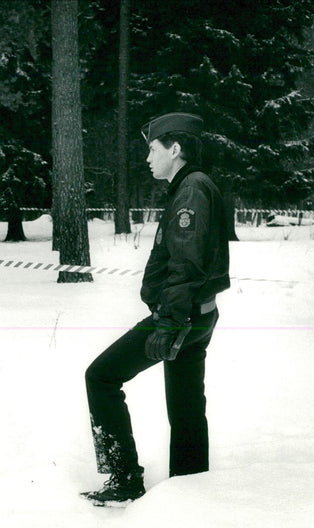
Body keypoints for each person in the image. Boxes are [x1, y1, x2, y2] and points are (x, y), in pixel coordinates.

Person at [81, 112, 230, 506]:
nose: (147, 158)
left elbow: (187, 262)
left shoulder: (192, 190)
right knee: (185, 407)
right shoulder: (192, 186)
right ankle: (191, 489)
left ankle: (124, 477)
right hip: (196, 314)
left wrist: (168, 323)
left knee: (101, 377)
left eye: (152, 148)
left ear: (175, 148)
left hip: (179, 317)